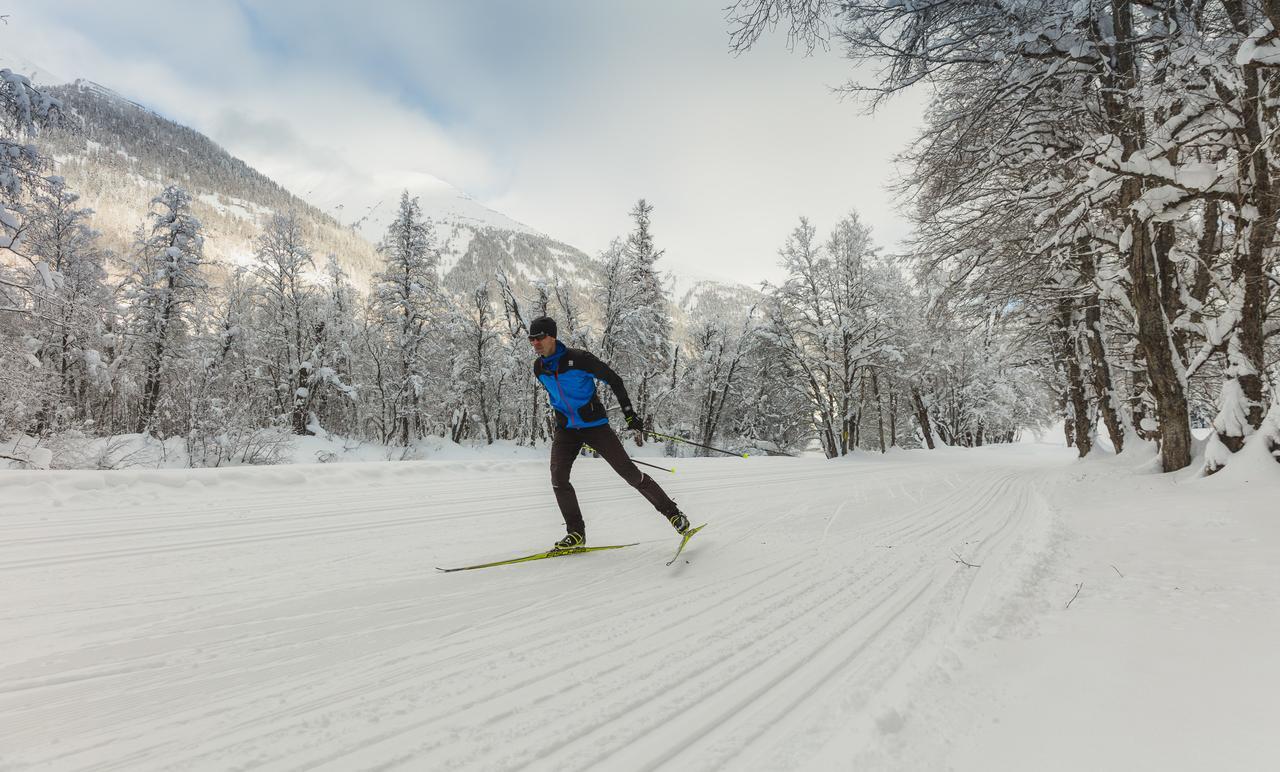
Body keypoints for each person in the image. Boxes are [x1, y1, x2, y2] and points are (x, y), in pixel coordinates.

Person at [527, 316, 690, 550]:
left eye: (539, 337)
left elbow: (614, 380)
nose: (535, 343)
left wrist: (629, 414)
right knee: (558, 479)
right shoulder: (539, 368)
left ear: (552, 336)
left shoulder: (579, 359)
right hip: (566, 429)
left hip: (594, 426)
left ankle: (674, 514)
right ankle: (576, 534)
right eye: (532, 339)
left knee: (630, 474)